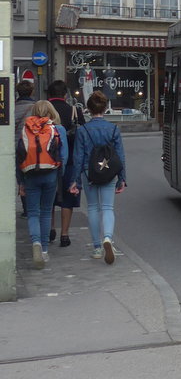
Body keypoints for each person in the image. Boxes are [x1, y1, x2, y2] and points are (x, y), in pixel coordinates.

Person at [68, 91, 127, 265]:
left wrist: (75, 181)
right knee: (108, 207)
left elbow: (77, 157)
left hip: (89, 171)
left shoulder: (83, 130)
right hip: (109, 171)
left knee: (93, 208)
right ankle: (108, 238)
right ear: (105, 107)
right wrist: (122, 178)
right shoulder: (114, 128)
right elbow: (120, 156)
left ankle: (96, 247)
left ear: (88, 108)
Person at [16, 100, 69, 269]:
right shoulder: (58, 129)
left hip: (30, 174)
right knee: (46, 212)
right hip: (50, 174)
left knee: (33, 212)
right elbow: (64, 157)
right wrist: (59, 175)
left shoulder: (26, 128)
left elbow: (19, 156)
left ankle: (36, 243)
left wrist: (21, 182)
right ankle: (44, 250)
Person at [47, 78, 87, 247]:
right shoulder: (74, 111)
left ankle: (50, 229)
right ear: (65, 94)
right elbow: (83, 135)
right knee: (68, 199)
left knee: (48, 198)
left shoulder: (44, 111)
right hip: (70, 161)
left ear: (49, 94)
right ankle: (65, 234)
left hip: (48, 162)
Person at [12, 79, 36, 218]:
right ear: (32, 92)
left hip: (17, 149)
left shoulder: (12, 107)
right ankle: (34, 207)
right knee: (33, 176)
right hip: (32, 148)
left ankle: (27, 208)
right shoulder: (36, 108)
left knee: (21, 178)